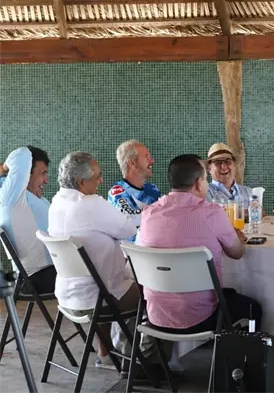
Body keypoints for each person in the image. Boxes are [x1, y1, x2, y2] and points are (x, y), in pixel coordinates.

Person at [48, 152, 156, 373]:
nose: (101, 181)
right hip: (101, 298)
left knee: (104, 278)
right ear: (81, 182)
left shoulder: (56, 202)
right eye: (97, 176)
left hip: (68, 295)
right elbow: (127, 229)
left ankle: (105, 352)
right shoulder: (92, 204)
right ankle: (138, 362)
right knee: (155, 289)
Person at [137, 154, 262, 333]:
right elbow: (237, 253)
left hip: (156, 316)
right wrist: (237, 238)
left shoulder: (148, 214)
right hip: (201, 317)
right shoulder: (212, 213)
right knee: (253, 308)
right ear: (198, 183)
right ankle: (233, 351)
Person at [0, 146, 55, 294]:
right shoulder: (12, 198)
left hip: (49, 271)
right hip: (36, 277)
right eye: (42, 173)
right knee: (99, 274)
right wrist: (3, 169)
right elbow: (23, 153)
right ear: (26, 174)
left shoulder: (32, 198)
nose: (46, 180)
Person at [108, 140, 161, 241]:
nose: (152, 161)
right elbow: (130, 220)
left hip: (155, 246)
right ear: (132, 163)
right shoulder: (117, 191)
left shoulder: (153, 189)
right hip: (129, 250)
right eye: (146, 157)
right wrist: (160, 210)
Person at [205, 143, 253, 208]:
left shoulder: (248, 192)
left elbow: (258, 213)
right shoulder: (204, 194)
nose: (223, 166)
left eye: (228, 161)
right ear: (209, 168)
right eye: (217, 162)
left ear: (234, 165)